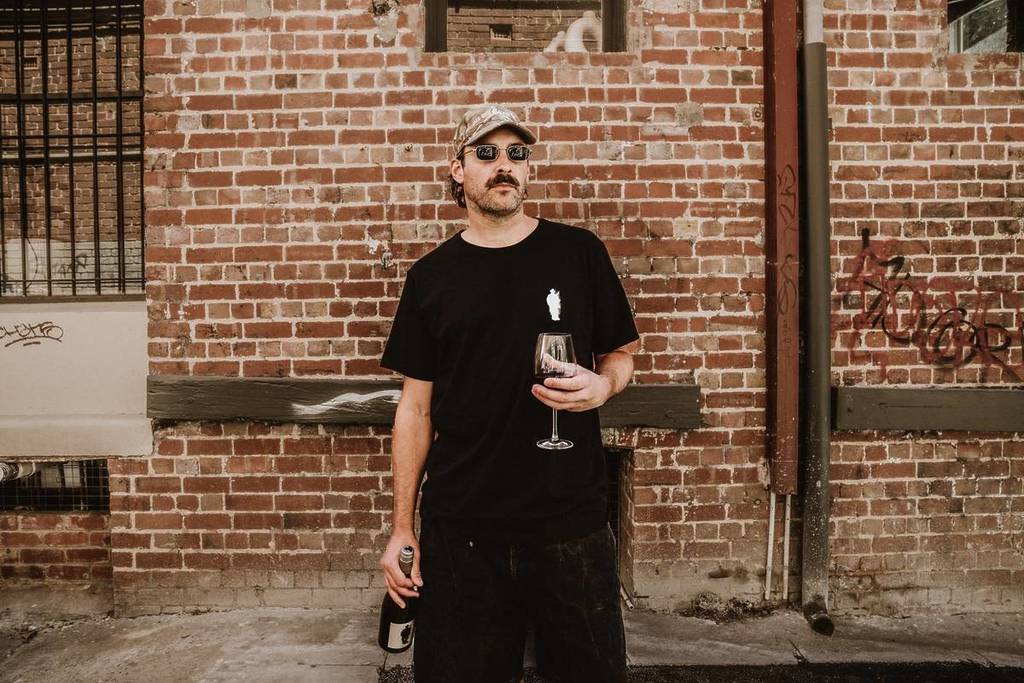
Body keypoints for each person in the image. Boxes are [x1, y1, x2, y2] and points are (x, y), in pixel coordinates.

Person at [378, 105, 640, 683]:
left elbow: (620, 358)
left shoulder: (578, 253)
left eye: (517, 154)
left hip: (570, 523)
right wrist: (403, 528)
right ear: (457, 169)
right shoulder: (431, 277)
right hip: (463, 528)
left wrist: (602, 385)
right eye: (488, 153)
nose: (505, 166)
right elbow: (415, 409)